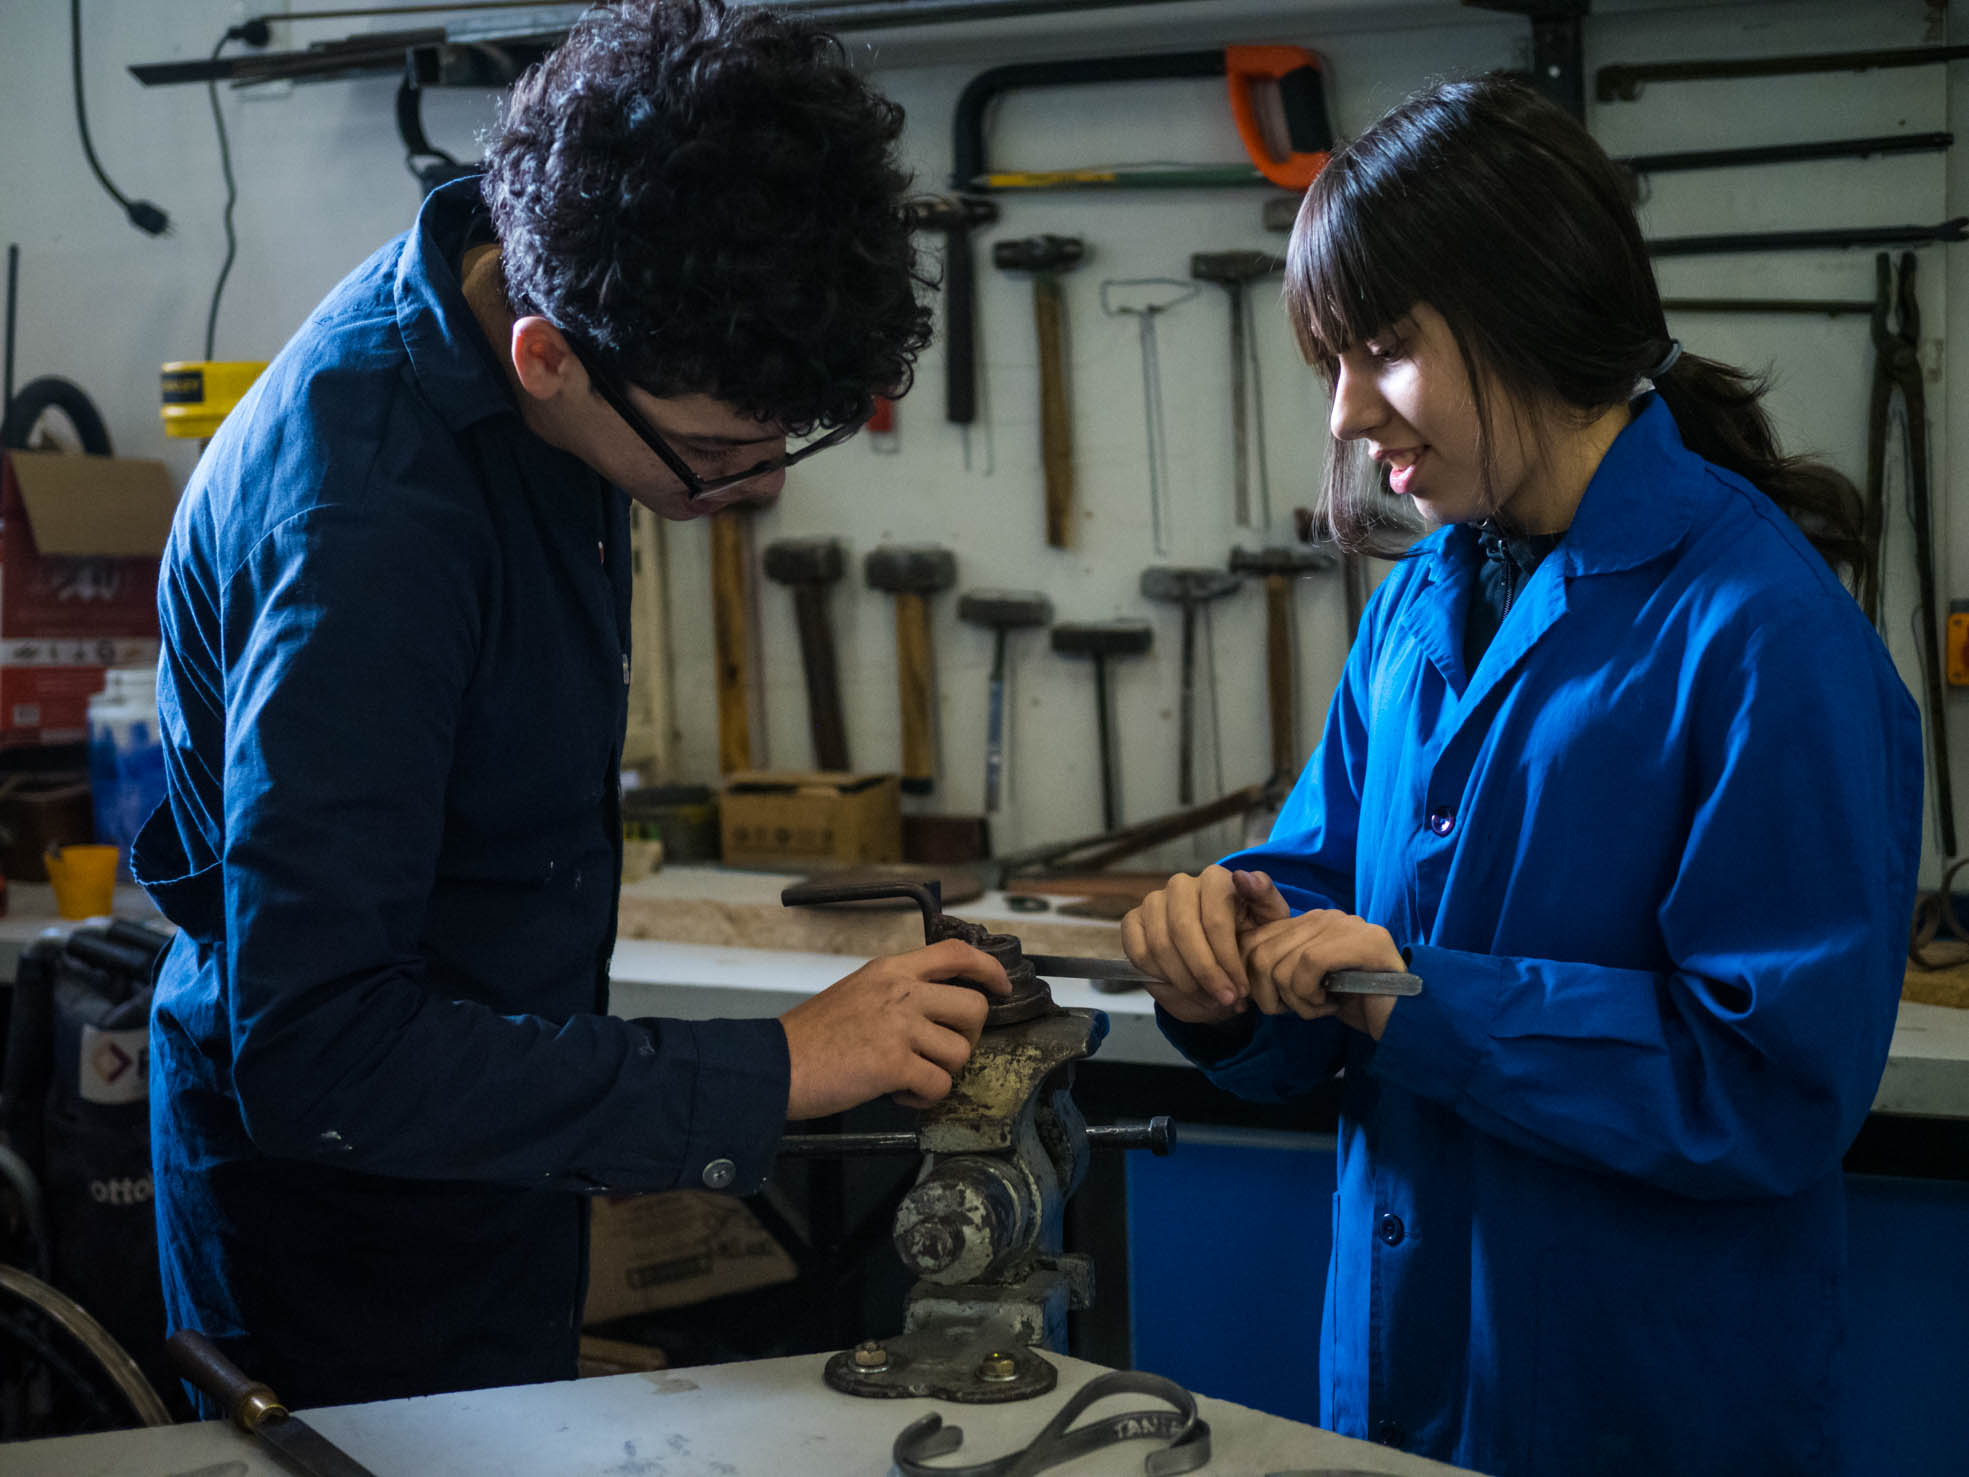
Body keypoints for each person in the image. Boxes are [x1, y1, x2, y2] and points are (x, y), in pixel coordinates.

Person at [138, 0, 1008, 1412]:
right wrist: (773, 1065)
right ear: (547, 356)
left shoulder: (538, 295)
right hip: (338, 1235)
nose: (760, 484)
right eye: (718, 452)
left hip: (488, 1156)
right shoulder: (369, 527)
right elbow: (319, 1050)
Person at [1122, 75, 1920, 1477]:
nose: (1347, 413)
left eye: (1383, 348)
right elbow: (1317, 914)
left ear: (1526, 312)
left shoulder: (1762, 633)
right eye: (1329, 360)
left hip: (1637, 1406)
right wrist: (1229, 977)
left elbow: (1770, 1082)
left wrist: (1408, 996)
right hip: (1394, 1375)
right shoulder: (1417, 605)